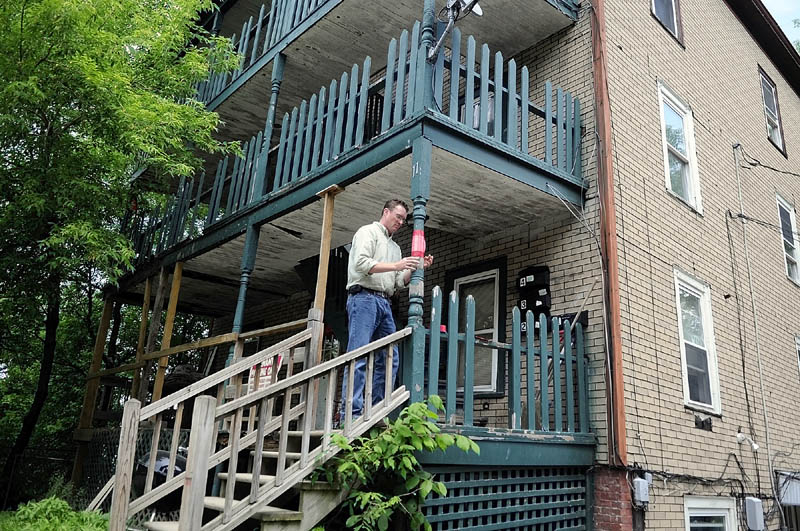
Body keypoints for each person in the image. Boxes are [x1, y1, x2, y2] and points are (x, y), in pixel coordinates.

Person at [340, 199, 433, 420]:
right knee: (358, 355)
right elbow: (361, 264)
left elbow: (399, 281)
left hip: (384, 302)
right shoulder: (367, 232)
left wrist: (417, 267)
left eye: (403, 219)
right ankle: (350, 414)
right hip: (363, 298)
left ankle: (376, 411)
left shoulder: (395, 247)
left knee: (390, 357)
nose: (401, 222)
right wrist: (397, 265)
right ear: (386, 212)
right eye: (398, 217)